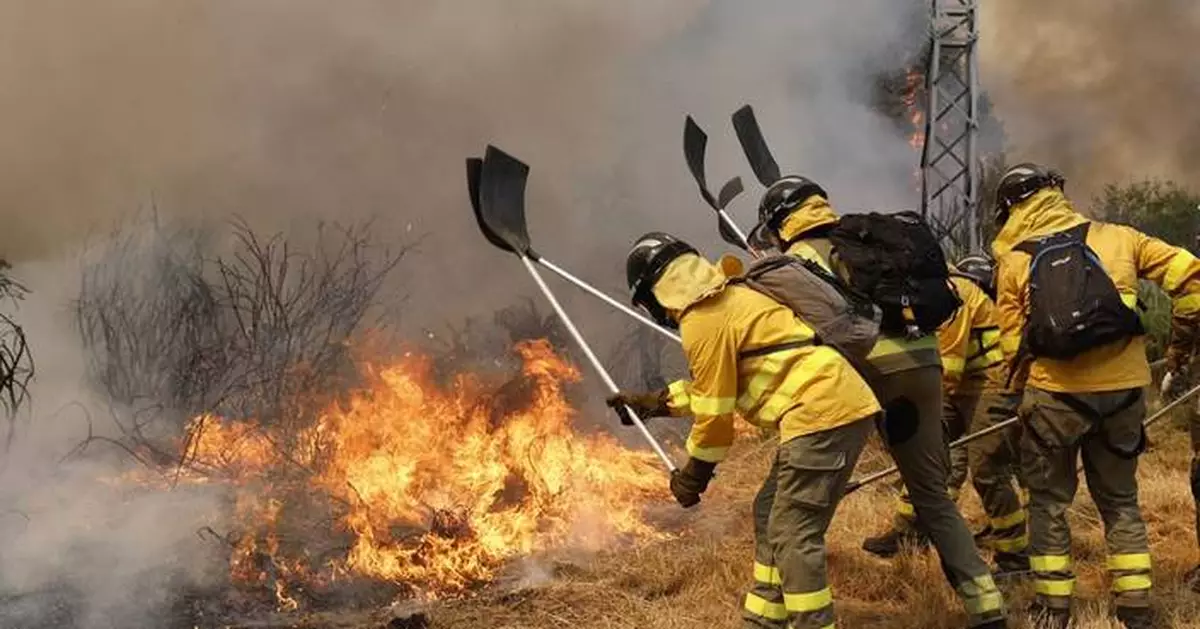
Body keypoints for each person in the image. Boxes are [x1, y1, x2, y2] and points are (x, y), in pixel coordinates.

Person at [747, 177, 1007, 628]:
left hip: (864, 372)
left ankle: (771, 613)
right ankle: (988, 607)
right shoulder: (870, 242)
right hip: (924, 367)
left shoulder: (798, 260)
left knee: (789, 508)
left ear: (779, 223)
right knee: (933, 498)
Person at [606, 232, 883, 629]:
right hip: (829, 407)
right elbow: (717, 388)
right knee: (769, 510)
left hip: (821, 413)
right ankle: (765, 617)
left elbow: (716, 417)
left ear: (654, 293)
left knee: (793, 533)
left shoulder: (702, 319)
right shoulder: (728, 300)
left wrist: (693, 477)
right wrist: (655, 403)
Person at [991, 163, 1200, 629]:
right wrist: (1179, 345)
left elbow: (1011, 348)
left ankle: (1054, 608)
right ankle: (1136, 606)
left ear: (1011, 210)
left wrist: (1019, 395)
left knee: (1048, 503)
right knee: (1121, 501)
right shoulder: (1120, 237)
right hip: (1125, 393)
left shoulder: (1015, 259)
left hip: (1055, 397)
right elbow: (1192, 279)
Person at [939, 255, 1028, 573]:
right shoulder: (942, 289)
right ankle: (911, 529)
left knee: (988, 470)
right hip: (967, 387)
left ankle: (1015, 556)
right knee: (927, 452)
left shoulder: (954, 291)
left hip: (992, 386)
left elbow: (949, 364)